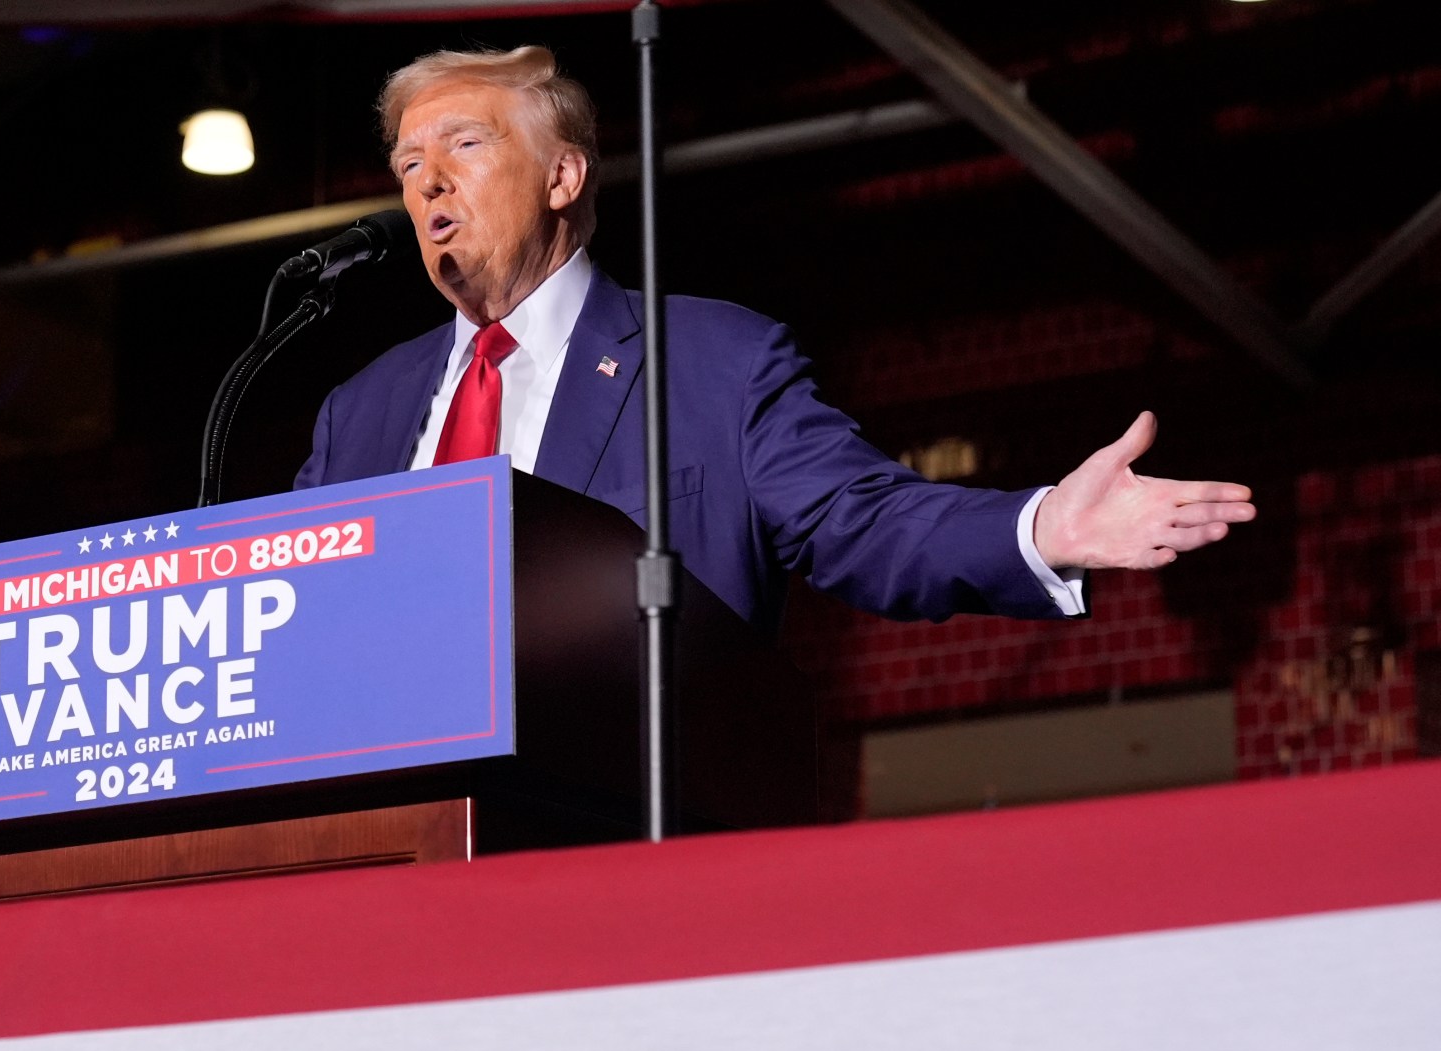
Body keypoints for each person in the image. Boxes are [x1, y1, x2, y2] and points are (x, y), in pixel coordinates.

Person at [292, 46, 1257, 629]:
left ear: (563, 179)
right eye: (408, 161)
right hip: (398, 841)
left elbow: (866, 524)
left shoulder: (714, 367)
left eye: (464, 144)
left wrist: (1041, 529)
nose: (426, 181)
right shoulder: (358, 414)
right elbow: (292, 615)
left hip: (618, 831)